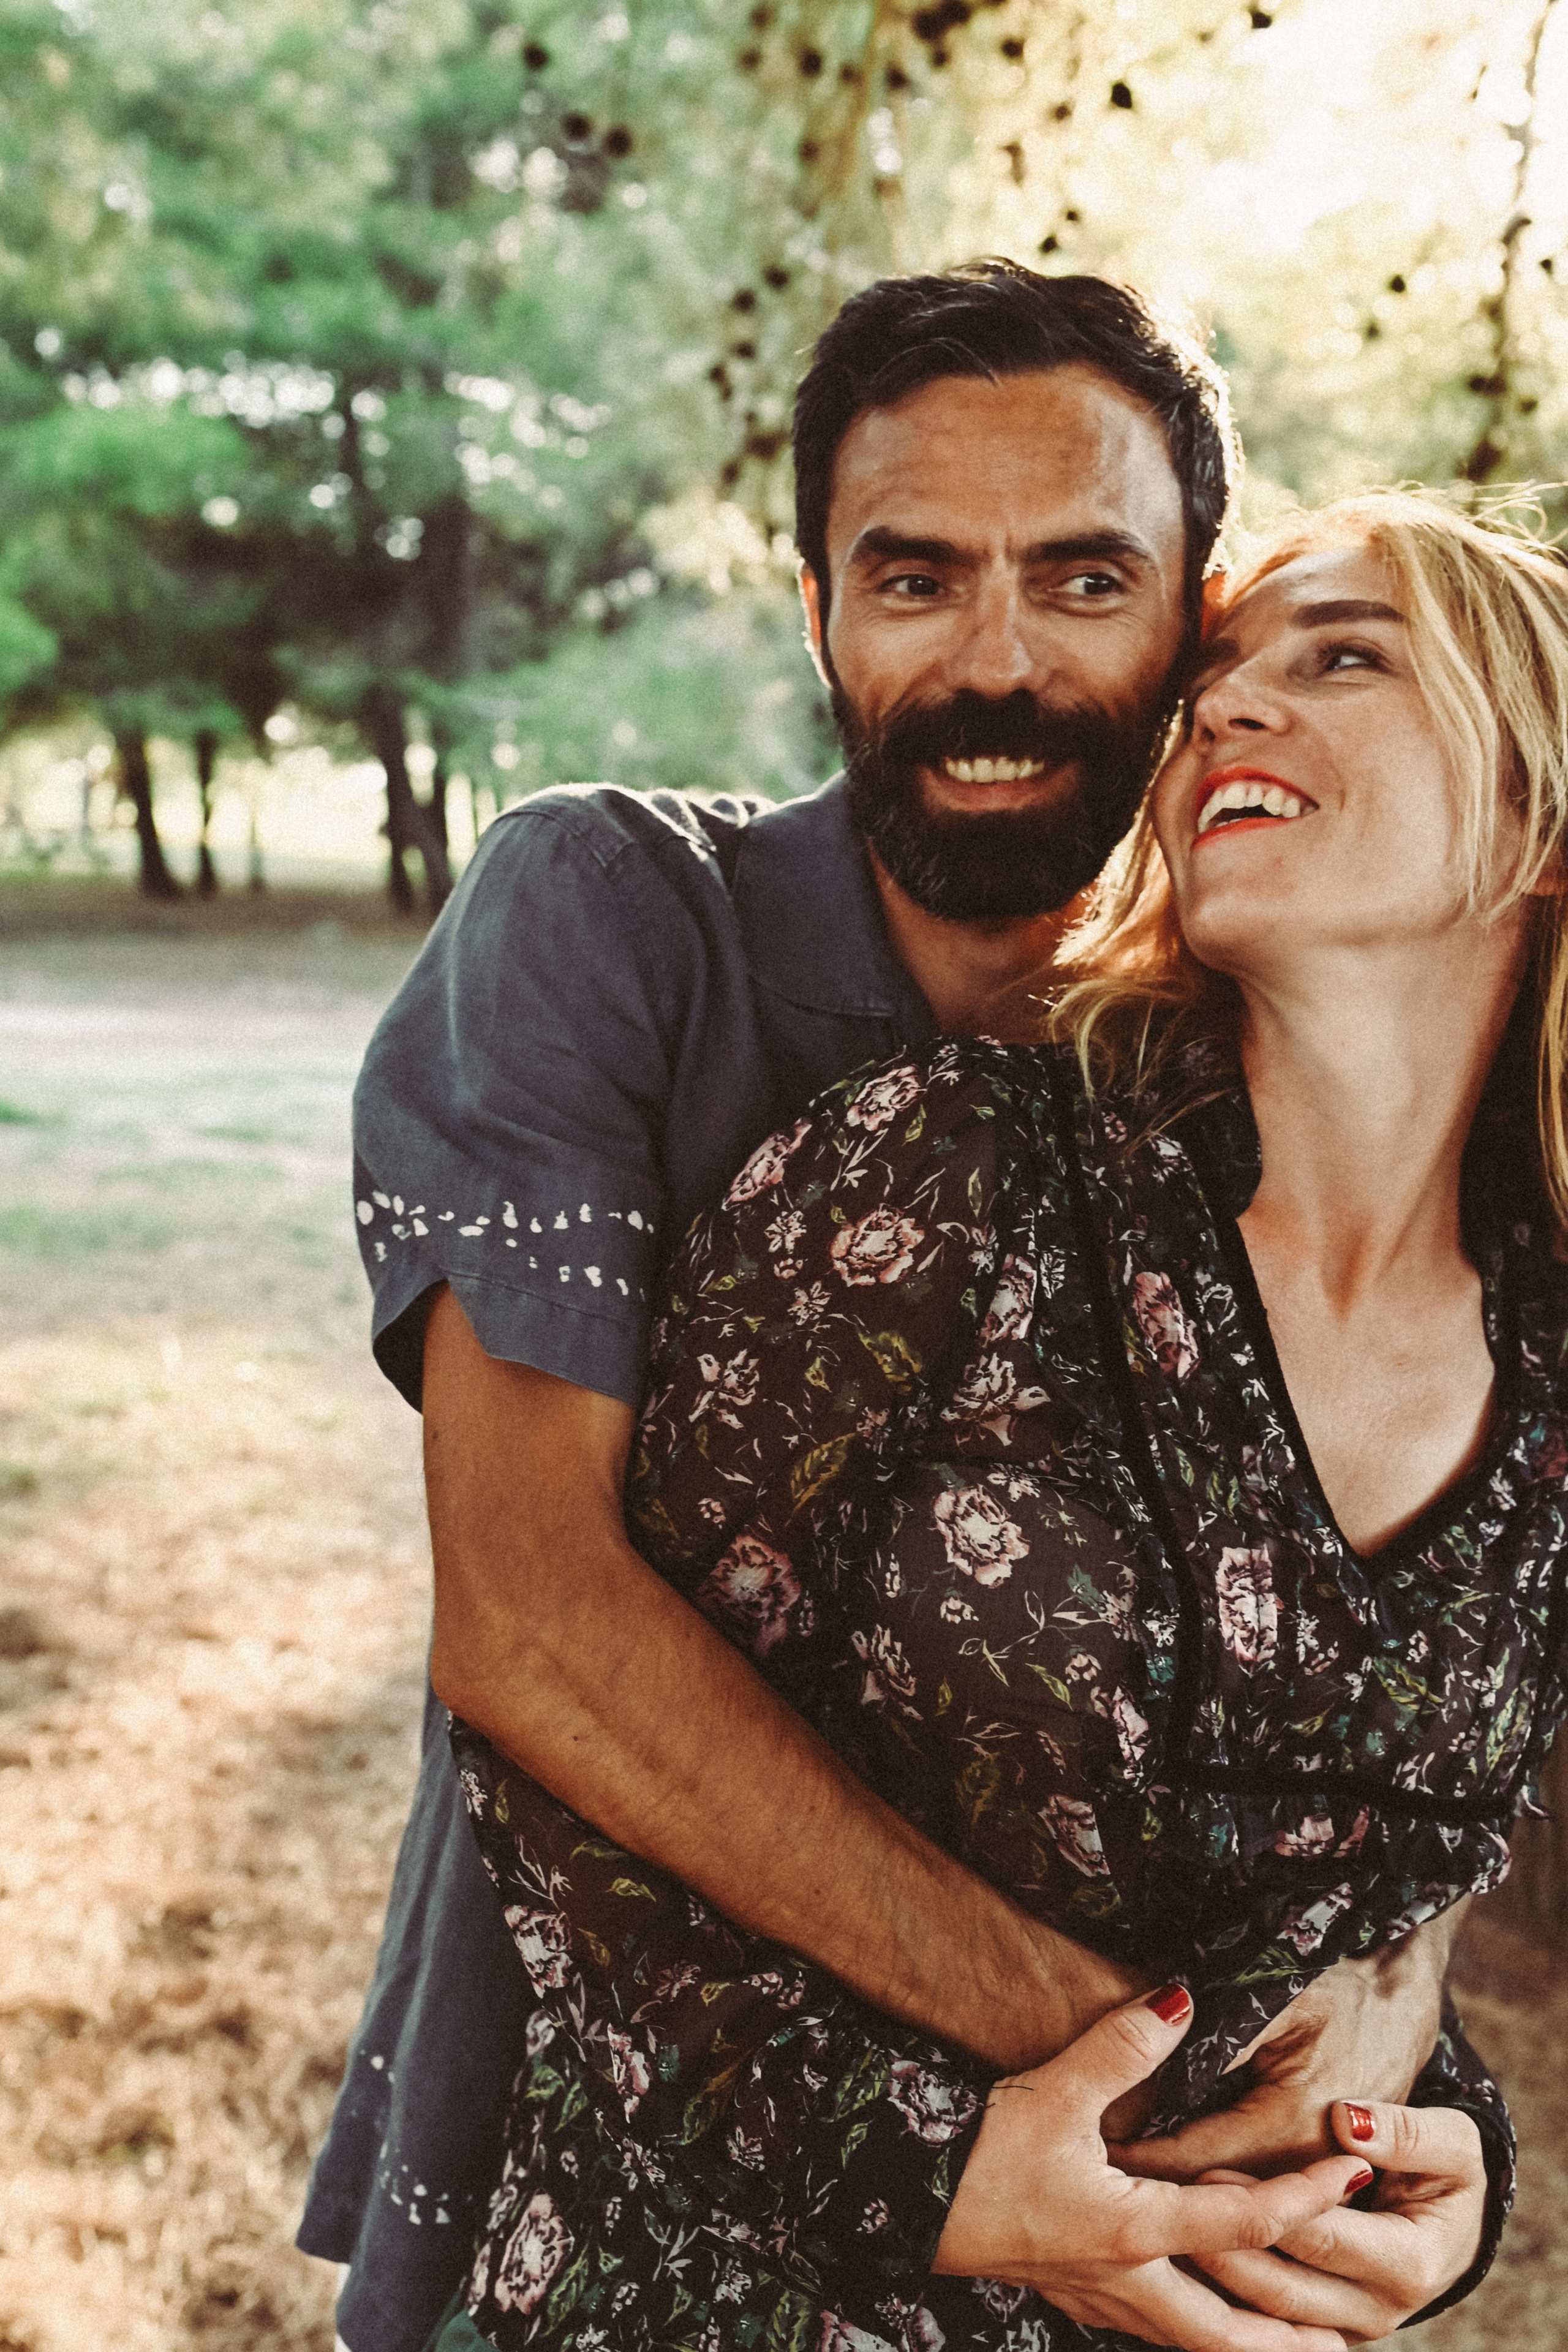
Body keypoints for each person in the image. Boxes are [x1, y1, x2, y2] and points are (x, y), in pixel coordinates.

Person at [301, 270, 1460, 2352]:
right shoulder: (613, 919)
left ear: (1196, 617)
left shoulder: (1260, 1061)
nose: (994, 662)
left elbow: (1371, 1717)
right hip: (618, 2184)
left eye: (1084, 579)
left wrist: (1421, 2108)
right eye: (914, 578)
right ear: (820, 609)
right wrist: (1155, 2098)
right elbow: (533, 1618)